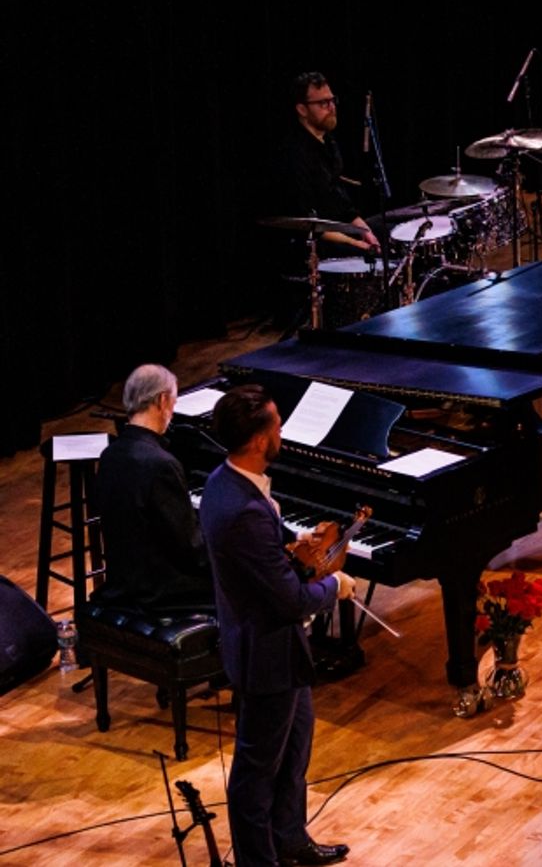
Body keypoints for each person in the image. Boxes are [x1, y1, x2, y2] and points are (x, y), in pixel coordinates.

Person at [200, 384, 355, 867]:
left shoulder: (226, 482)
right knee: (256, 768)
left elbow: (262, 556)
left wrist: (292, 542)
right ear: (259, 440)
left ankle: (289, 837)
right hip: (265, 654)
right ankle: (256, 860)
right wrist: (337, 587)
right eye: (276, 425)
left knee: (295, 747)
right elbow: (288, 599)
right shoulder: (243, 509)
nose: (282, 432)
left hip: (278, 650)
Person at [93, 364, 214, 612]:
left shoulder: (110, 454)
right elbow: (192, 550)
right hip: (158, 592)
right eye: (174, 402)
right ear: (162, 400)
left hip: (123, 582)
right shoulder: (161, 464)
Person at [277, 71, 381, 257]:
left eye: (332, 100)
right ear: (302, 109)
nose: (331, 107)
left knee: (392, 229)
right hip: (313, 242)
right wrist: (358, 243)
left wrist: (365, 231)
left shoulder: (329, 142)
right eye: (323, 103)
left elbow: (340, 203)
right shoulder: (293, 154)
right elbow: (309, 224)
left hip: (336, 227)